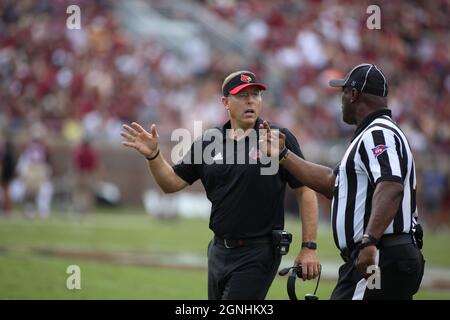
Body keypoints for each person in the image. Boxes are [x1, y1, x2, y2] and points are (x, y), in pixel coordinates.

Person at [121, 70, 320, 300]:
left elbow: (305, 190)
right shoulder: (209, 140)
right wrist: (154, 155)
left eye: (255, 95)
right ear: (225, 102)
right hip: (218, 250)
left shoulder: (276, 137)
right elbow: (171, 183)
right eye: (242, 95)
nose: (250, 101)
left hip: (258, 252)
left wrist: (309, 247)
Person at [260, 63, 425, 300]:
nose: (342, 100)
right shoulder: (371, 134)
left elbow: (391, 186)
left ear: (355, 94)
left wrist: (369, 240)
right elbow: (331, 182)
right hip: (384, 255)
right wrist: (284, 155)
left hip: (379, 254)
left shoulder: (378, 133)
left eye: (344, 92)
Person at [72, 138, 100, 214]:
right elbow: (95, 164)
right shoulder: (92, 153)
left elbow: (75, 163)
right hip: (89, 174)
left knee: (78, 193)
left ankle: (78, 209)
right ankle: (86, 210)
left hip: (80, 174)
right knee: (88, 194)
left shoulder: (79, 152)